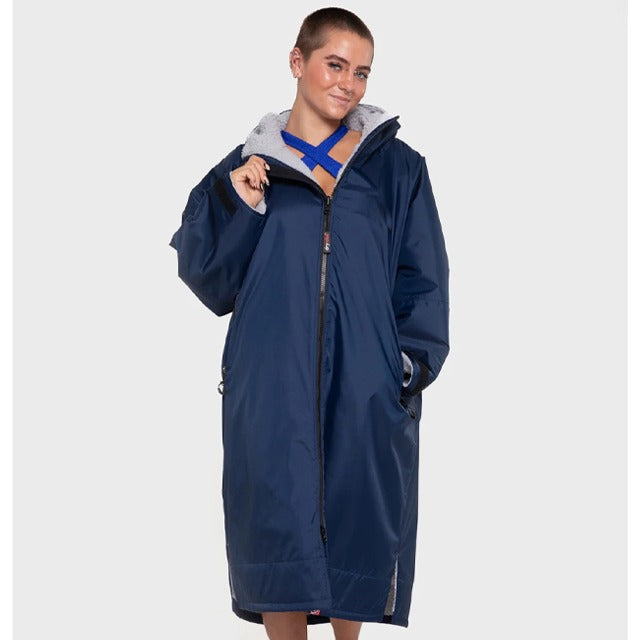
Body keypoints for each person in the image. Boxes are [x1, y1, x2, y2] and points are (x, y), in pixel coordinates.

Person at [169, 7, 450, 640]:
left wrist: (402, 369)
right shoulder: (249, 165)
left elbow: (424, 282)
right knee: (279, 531)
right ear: (297, 62)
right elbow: (209, 279)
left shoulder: (398, 169)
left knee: (357, 527)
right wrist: (241, 205)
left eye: (362, 72)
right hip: (272, 384)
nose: (348, 84)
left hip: (366, 385)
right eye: (335, 65)